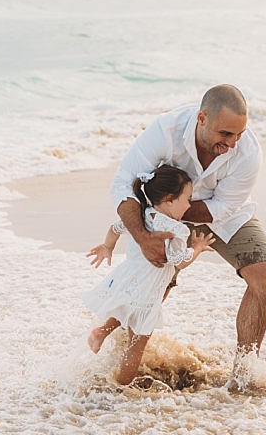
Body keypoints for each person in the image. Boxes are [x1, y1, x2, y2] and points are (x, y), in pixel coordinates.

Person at [110, 84, 266, 384]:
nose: (232, 143)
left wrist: (183, 214)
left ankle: (244, 375)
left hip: (218, 214)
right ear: (202, 118)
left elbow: (224, 206)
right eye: (225, 134)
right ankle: (122, 362)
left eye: (239, 134)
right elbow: (124, 182)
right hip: (166, 213)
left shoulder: (248, 153)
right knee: (150, 287)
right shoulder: (166, 131)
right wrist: (143, 236)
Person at [82, 165, 215, 385]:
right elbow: (180, 261)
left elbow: (115, 228)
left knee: (125, 307)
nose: (189, 205)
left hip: (129, 277)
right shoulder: (177, 229)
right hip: (149, 287)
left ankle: (102, 332)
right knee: (136, 345)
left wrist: (107, 246)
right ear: (170, 199)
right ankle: (123, 388)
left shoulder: (140, 216)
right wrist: (197, 248)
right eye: (188, 199)